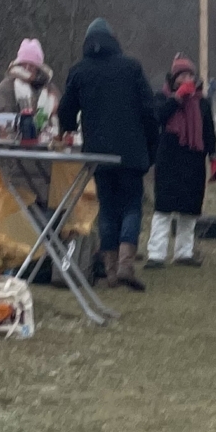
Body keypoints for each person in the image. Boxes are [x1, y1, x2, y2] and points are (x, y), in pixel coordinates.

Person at [56, 18, 159, 291]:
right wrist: (151, 148)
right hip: (131, 152)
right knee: (132, 206)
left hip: (97, 154)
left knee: (108, 209)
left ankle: (111, 272)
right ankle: (126, 264)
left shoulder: (79, 71)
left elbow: (65, 111)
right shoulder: (131, 67)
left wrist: (66, 130)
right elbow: (150, 111)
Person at [147, 54, 216, 267]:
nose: (187, 78)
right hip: (169, 159)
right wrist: (176, 99)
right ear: (173, 78)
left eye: (190, 74)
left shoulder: (202, 102)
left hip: (194, 160)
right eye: (182, 75)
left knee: (190, 209)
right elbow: (157, 117)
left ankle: (183, 253)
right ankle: (156, 254)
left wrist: (214, 158)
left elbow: (209, 132)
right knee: (163, 209)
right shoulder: (162, 97)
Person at [0, 39, 57, 147]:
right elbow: (1, 116)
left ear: (38, 67)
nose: (27, 68)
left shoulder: (49, 88)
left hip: (46, 146)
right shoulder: (7, 86)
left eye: (31, 65)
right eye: (24, 64)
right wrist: (25, 122)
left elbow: (57, 114)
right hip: (14, 146)